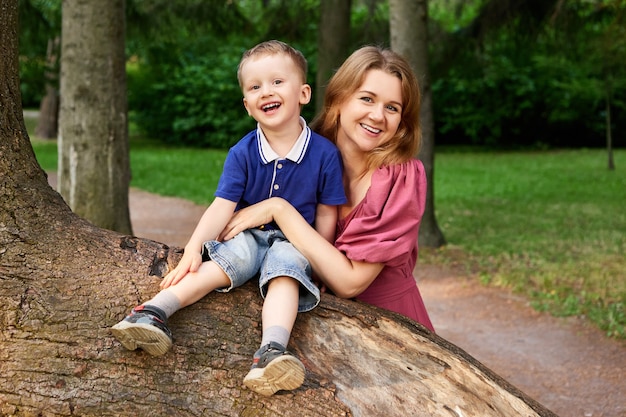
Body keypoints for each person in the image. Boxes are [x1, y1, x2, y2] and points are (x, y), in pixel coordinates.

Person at [110, 40, 346, 396]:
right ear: (248, 106)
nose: (266, 91)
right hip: (248, 235)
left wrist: (320, 261)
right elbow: (222, 205)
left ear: (304, 93)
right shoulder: (243, 152)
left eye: (278, 82)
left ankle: (271, 353)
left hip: (295, 241)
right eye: (255, 87)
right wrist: (193, 249)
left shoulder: (325, 154)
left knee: (286, 276)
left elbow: (327, 212)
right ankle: (151, 312)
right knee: (221, 264)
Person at [220, 45, 435, 332]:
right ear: (339, 100)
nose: (378, 116)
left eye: (392, 108)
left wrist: (278, 209)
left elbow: (350, 282)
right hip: (313, 322)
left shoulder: (401, 178)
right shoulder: (306, 153)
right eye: (367, 99)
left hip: (391, 325)